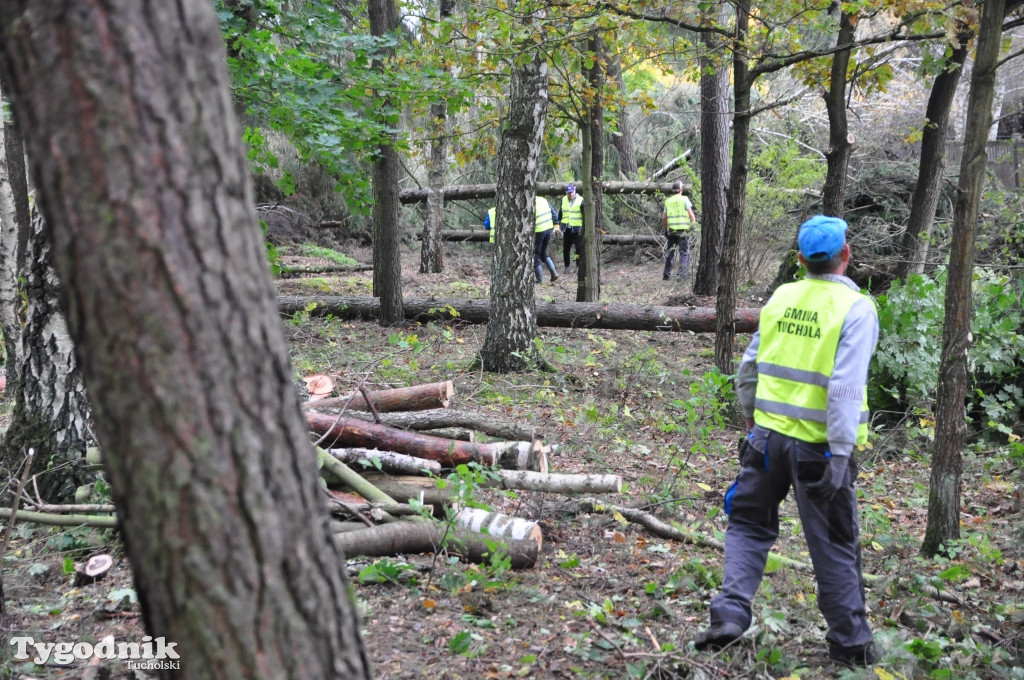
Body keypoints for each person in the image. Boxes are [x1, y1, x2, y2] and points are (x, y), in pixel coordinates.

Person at [694, 215, 880, 668]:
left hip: (767, 439)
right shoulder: (857, 309)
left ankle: (731, 614)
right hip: (819, 449)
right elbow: (846, 388)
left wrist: (751, 423)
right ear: (846, 256)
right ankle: (851, 644)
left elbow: (748, 368)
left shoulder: (782, 296)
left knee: (748, 525)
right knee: (834, 543)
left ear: (799, 260)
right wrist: (839, 454)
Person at [662, 180, 697, 281]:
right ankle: (681, 276)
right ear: (681, 189)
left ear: (673, 190)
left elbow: (664, 218)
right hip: (683, 232)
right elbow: (691, 215)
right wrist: (694, 227)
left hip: (671, 231)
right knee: (684, 253)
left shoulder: (668, 201)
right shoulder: (684, 199)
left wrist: (666, 229)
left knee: (670, 253)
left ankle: (666, 274)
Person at [534, 195, 559, 284]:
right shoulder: (544, 200)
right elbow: (554, 214)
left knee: (536, 255)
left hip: (539, 230)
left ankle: (539, 280)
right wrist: (556, 225)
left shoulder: (529, 201)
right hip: (548, 229)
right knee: (543, 252)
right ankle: (554, 273)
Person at [560, 184, 584, 272]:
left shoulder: (581, 200)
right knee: (566, 248)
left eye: (572, 192)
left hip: (577, 228)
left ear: (575, 191)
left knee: (578, 248)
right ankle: (567, 266)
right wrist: (558, 225)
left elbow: (584, 214)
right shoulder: (563, 200)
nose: (570, 195)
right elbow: (561, 212)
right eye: (569, 193)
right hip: (567, 228)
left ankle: (578, 266)